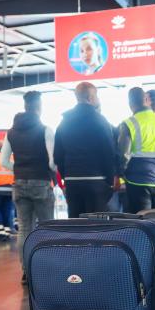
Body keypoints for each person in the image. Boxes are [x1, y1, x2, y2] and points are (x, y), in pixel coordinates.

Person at [2, 91, 55, 282]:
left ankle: (26, 271)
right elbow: (52, 163)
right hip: (40, 182)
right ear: (39, 106)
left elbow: (3, 161)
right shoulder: (45, 130)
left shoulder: (11, 132)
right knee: (47, 226)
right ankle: (49, 267)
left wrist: (20, 168)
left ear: (25, 106)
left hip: (19, 183)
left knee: (24, 228)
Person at [54, 82, 118, 218]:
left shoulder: (63, 123)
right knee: (96, 227)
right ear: (91, 97)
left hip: (72, 182)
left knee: (76, 226)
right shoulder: (100, 121)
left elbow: (57, 155)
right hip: (96, 181)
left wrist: (67, 176)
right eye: (96, 96)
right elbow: (109, 153)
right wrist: (109, 182)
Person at [117, 87, 155, 213]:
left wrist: (121, 176)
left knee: (141, 220)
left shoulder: (129, 123)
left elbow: (123, 155)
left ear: (130, 104)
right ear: (146, 100)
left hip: (137, 181)